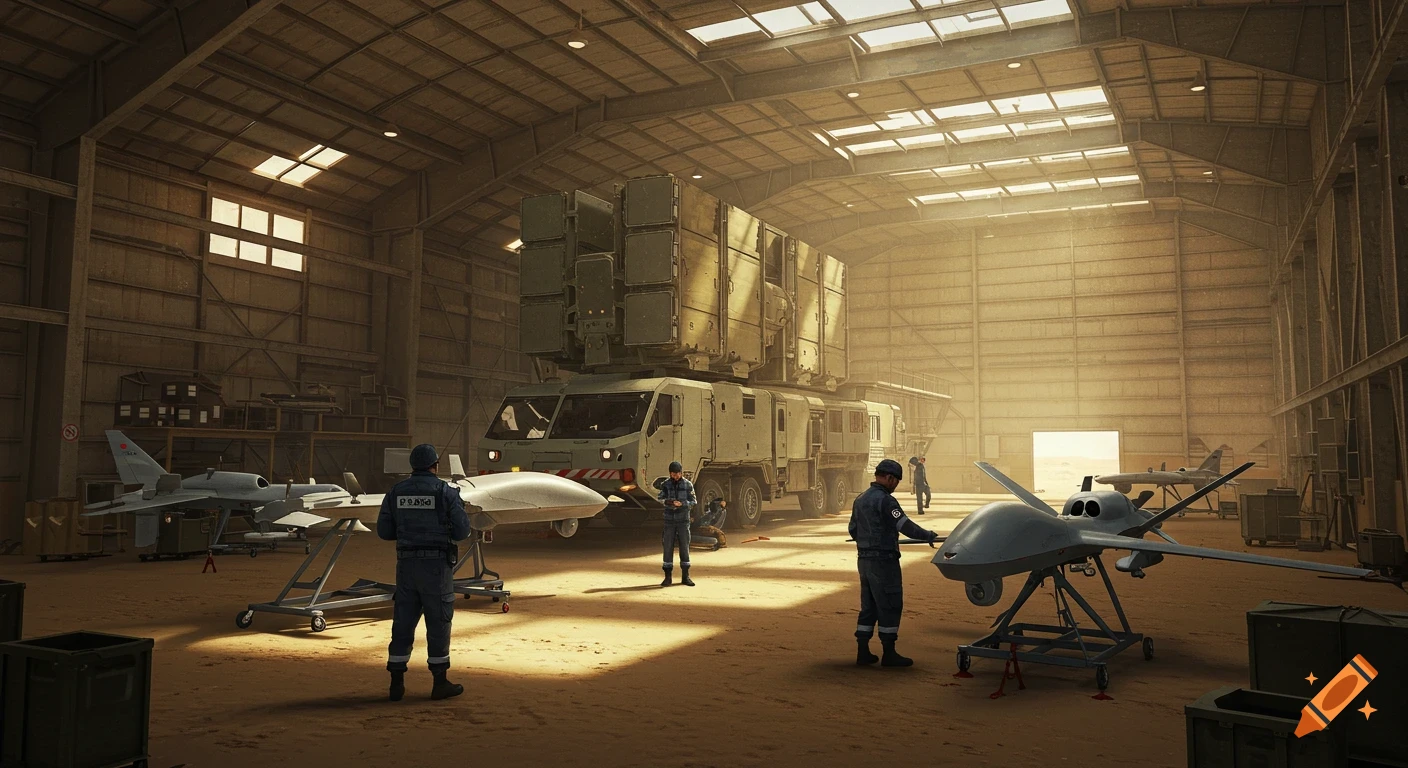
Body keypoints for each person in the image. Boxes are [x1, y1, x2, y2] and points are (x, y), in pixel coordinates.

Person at [377, 443, 471, 702]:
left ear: (412, 466)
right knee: (439, 622)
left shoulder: (395, 492)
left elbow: (384, 532)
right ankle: (439, 683)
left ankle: (396, 683)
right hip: (436, 568)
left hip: (405, 567)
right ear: (435, 466)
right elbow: (463, 532)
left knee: (403, 622)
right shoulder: (446, 492)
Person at [849, 458, 939, 668]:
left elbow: (853, 530)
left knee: (869, 606)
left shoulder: (860, 499)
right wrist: (927, 535)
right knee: (890, 604)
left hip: (863, 561)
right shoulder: (886, 501)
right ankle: (889, 653)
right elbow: (904, 525)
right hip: (884, 562)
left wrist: (868, 539)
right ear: (889, 478)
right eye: (896, 481)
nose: (896, 486)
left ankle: (863, 652)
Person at [657, 461, 696, 586]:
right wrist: (668, 502)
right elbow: (660, 498)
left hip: (683, 521)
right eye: (674, 474)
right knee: (667, 548)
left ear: (681, 473)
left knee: (684, 547)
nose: (676, 476)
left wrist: (683, 504)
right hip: (669, 521)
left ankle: (686, 576)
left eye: (678, 474)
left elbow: (693, 501)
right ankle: (667, 577)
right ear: (670, 474)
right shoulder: (665, 485)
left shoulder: (688, 484)